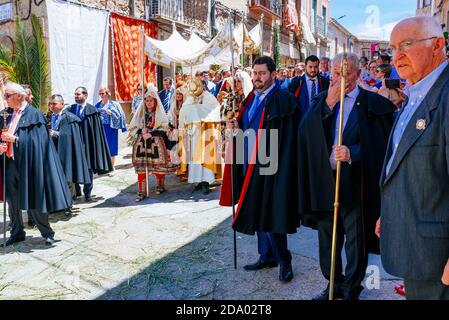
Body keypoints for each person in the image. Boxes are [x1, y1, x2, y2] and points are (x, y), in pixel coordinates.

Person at [298, 53, 395, 300]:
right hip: (325, 182)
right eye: (337, 73)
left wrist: (353, 152)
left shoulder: (372, 104)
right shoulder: (322, 100)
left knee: (355, 241)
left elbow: (381, 144)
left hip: (356, 184)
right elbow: (305, 133)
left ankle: (352, 287)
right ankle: (334, 284)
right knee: (327, 240)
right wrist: (328, 103)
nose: (342, 79)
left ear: (358, 74)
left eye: (347, 73)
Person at [376, 16, 449, 300]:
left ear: (438, 45)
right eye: (394, 48)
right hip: (418, 247)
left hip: (437, 260)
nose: (397, 56)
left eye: (407, 44)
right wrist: (392, 211)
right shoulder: (415, 93)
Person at [220, 56, 300, 283]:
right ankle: (266, 256)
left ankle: (284, 260)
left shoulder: (283, 100)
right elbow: (246, 126)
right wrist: (236, 126)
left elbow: (288, 139)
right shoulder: (249, 98)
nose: (257, 78)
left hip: (270, 166)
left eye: (262, 73)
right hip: (248, 163)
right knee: (258, 212)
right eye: (255, 73)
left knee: (273, 216)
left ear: (273, 74)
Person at [0, 82, 73, 247]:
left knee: (34, 198)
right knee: (13, 201)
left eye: (7, 95)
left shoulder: (35, 115)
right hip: (10, 163)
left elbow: (39, 141)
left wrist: (17, 139)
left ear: (19, 96)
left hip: (29, 164)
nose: (5, 99)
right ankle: (17, 232)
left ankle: (47, 233)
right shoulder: (6, 114)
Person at [128, 86, 178, 201]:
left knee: (158, 165)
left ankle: (160, 184)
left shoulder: (160, 114)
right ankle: (141, 191)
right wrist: (141, 131)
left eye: (151, 100)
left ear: (155, 101)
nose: (149, 103)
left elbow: (164, 128)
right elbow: (134, 127)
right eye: (146, 100)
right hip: (142, 143)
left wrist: (152, 133)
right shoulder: (141, 113)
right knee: (141, 167)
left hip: (156, 142)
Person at [48, 94, 91, 216]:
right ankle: (58, 204)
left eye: (54, 103)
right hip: (54, 152)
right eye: (50, 103)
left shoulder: (69, 118)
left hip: (66, 153)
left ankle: (68, 205)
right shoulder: (50, 116)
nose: (51, 106)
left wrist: (55, 134)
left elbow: (68, 136)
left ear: (62, 104)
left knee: (67, 179)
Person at [178, 78, 222, 195]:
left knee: (205, 157)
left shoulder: (209, 97)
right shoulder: (191, 98)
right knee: (194, 157)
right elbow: (184, 110)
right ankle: (197, 180)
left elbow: (214, 110)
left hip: (206, 131)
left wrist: (197, 108)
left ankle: (206, 182)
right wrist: (192, 108)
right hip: (194, 132)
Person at [68, 87, 113, 202]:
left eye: (78, 94)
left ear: (85, 95)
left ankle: (87, 194)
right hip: (74, 144)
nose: (76, 96)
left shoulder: (92, 110)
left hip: (88, 144)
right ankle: (76, 192)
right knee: (74, 167)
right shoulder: (71, 109)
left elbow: (96, 131)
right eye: (75, 94)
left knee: (88, 168)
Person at [95, 87, 127, 175]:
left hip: (111, 128)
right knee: (102, 147)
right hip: (100, 128)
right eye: (100, 94)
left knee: (111, 147)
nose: (101, 95)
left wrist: (112, 113)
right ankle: (104, 167)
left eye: (102, 93)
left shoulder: (114, 104)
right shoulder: (97, 105)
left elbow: (121, 115)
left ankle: (112, 167)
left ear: (107, 93)